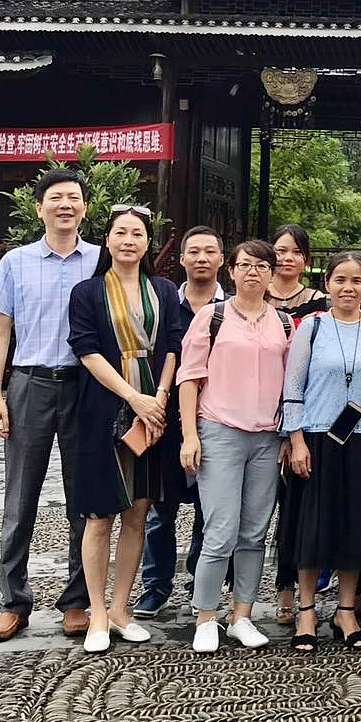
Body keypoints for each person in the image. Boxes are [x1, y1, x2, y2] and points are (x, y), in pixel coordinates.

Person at [0, 168, 99, 643]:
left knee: (83, 498)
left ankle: (76, 601)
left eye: (73, 198)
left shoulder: (102, 260)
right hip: (29, 385)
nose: (64, 205)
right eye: (55, 198)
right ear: (39, 208)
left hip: (84, 388)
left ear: (85, 208)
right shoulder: (16, 261)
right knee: (19, 498)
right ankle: (13, 601)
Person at [67, 205, 183, 653]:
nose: (129, 240)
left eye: (137, 233)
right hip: (105, 409)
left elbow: (172, 345)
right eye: (121, 233)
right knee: (100, 516)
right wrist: (134, 398)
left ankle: (120, 608)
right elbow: (87, 351)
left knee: (138, 512)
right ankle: (97, 612)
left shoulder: (164, 290)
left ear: (148, 242)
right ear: (108, 240)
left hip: (155, 412)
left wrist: (160, 399)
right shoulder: (88, 291)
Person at [279, 252, 361, 653]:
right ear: (327, 284)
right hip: (317, 438)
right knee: (311, 526)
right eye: (340, 280)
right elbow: (292, 387)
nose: (348, 288)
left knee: (355, 528)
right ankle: (307, 610)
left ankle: (347, 610)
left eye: (356, 281)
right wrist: (296, 440)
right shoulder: (311, 328)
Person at [176, 239, 292, 654]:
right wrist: (189, 434)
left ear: (271, 273)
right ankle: (205, 615)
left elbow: (291, 385)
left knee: (254, 531)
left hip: (267, 436)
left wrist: (287, 436)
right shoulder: (212, 317)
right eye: (245, 265)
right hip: (220, 430)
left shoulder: (284, 323)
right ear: (232, 270)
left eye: (261, 266)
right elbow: (189, 378)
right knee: (220, 529)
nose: (252, 273)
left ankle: (242, 613)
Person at [135, 225, 225, 620]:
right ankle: (155, 586)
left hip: (217, 417)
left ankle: (199, 583)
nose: (202, 258)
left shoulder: (231, 309)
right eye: (195, 251)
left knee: (210, 508)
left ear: (222, 260)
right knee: (160, 507)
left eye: (210, 251)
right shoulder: (162, 303)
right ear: (183, 258)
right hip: (167, 416)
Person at [267, 222, 329, 617]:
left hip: (305, 413)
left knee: (296, 505)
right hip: (257, 410)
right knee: (255, 508)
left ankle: (289, 586)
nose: (287, 258)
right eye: (280, 251)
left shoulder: (321, 304)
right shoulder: (254, 297)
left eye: (295, 251)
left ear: (305, 259)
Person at [268, 223, 329, 322]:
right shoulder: (257, 294)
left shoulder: (315, 299)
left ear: (306, 258)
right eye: (282, 251)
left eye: (297, 252)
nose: (289, 258)